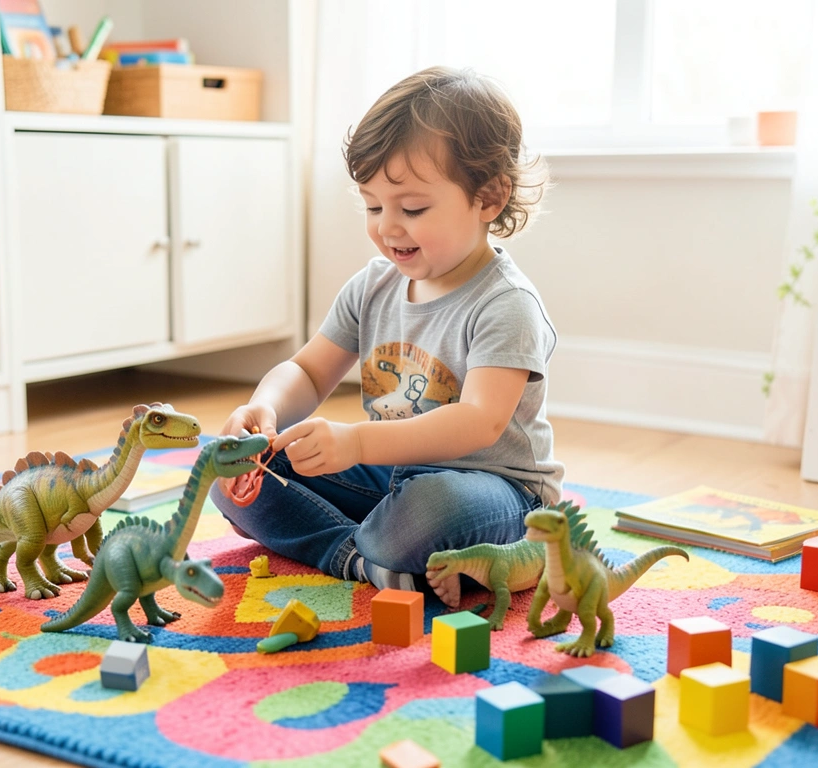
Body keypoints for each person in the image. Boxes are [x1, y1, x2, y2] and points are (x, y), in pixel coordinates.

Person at [210, 66, 563, 608]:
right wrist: (264, 409)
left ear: (489, 198)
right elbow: (306, 371)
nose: (386, 227)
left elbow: (478, 423)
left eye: (413, 208)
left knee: (429, 509)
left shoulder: (505, 304)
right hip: (392, 476)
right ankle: (362, 557)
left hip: (495, 493)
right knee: (227, 468)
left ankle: (372, 545)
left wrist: (354, 443)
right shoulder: (374, 285)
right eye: (373, 205)